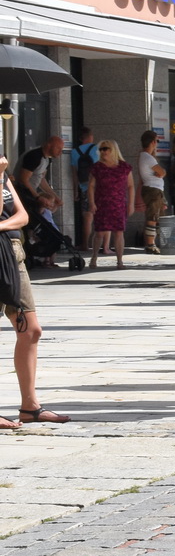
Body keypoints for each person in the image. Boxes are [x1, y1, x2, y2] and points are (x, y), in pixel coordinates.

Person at [0, 154, 65, 427]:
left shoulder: (2, 176)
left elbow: (23, 216)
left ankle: (30, 406)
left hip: (13, 252)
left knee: (31, 329)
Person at [88, 141, 136, 268]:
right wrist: (92, 202)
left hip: (118, 203)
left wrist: (131, 204)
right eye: (101, 149)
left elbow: (130, 186)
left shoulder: (124, 167)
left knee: (119, 232)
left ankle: (120, 260)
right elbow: (91, 186)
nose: (103, 151)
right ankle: (94, 257)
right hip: (102, 203)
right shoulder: (97, 167)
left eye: (105, 149)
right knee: (99, 232)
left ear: (113, 150)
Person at [15, 135, 65, 224]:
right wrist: (37, 197)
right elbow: (23, 179)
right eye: (58, 148)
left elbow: (41, 179)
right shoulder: (34, 156)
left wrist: (55, 196)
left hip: (31, 193)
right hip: (21, 193)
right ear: (49, 145)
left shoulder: (47, 159)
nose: (60, 152)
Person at [134, 131, 167, 254]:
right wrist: (162, 172)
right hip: (153, 190)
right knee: (152, 217)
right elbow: (162, 172)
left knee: (157, 216)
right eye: (156, 141)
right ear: (153, 142)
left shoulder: (145, 156)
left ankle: (154, 242)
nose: (157, 144)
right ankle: (150, 244)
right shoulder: (148, 157)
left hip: (153, 189)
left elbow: (161, 172)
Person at [70, 127, 98, 250]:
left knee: (87, 217)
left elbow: (74, 174)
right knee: (102, 216)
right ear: (90, 136)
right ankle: (104, 245)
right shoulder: (97, 149)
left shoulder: (74, 152)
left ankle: (85, 244)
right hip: (99, 187)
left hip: (85, 188)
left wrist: (76, 190)